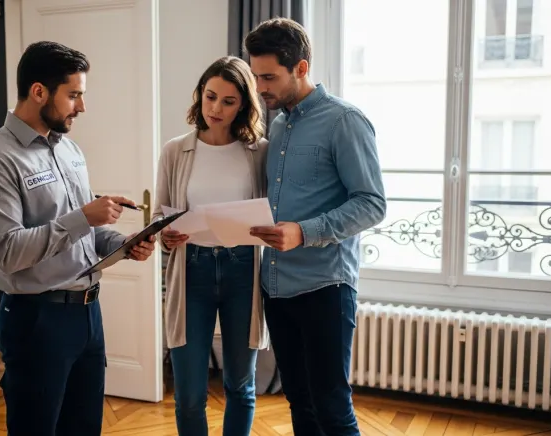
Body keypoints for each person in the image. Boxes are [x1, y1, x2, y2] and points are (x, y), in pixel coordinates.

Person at [0, 41, 156, 436]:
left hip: (88, 315)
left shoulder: (69, 151)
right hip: (37, 320)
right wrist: (83, 216)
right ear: (38, 92)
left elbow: (85, 233)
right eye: (74, 95)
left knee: (84, 428)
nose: (81, 107)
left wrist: (123, 243)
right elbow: (8, 252)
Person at [244, 18, 387, 436]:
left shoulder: (345, 121)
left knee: (331, 405)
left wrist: (303, 232)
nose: (260, 87)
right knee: (299, 401)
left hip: (325, 286)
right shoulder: (277, 125)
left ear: (301, 68)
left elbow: (372, 204)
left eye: (269, 77)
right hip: (276, 284)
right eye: (256, 76)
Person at [153, 55, 270, 436]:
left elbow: (271, 212)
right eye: (210, 96)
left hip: (243, 272)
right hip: (192, 272)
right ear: (199, 95)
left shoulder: (259, 152)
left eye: (228, 101)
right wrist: (165, 234)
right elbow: (159, 218)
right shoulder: (175, 151)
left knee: (241, 385)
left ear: (244, 105)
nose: (216, 108)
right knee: (188, 394)